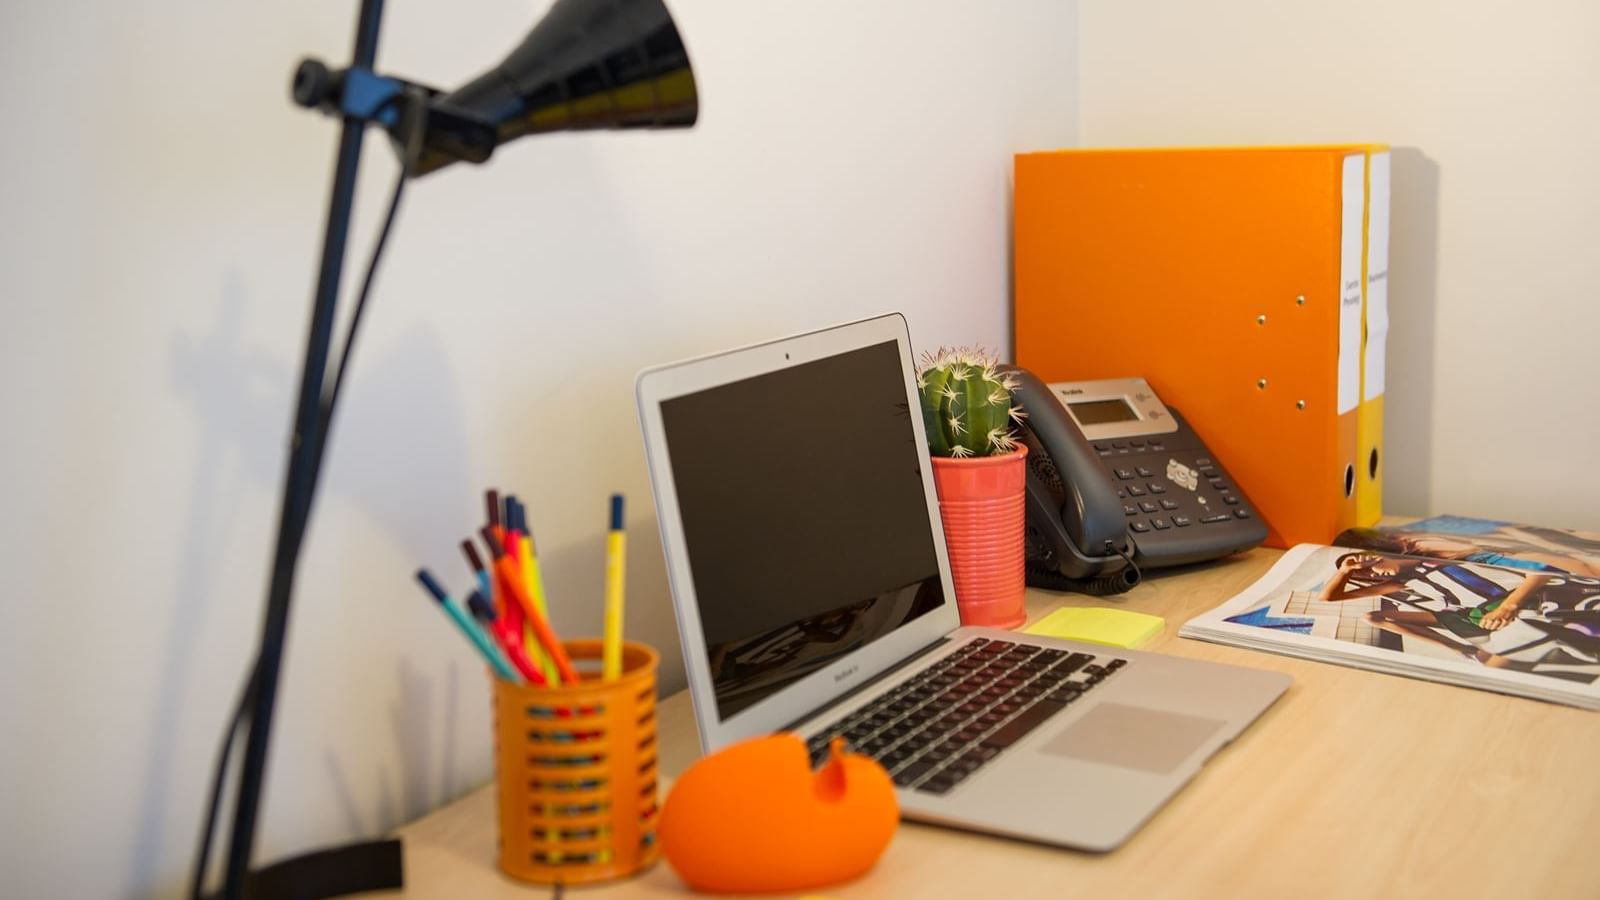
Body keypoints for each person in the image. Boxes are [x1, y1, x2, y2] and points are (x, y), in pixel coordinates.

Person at [1315, 553, 1556, 669]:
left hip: (1509, 603)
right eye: (1365, 577)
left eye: (1369, 568)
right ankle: (1465, 651)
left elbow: (1541, 571)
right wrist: (1345, 571)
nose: (1372, 576)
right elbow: (1327, 598)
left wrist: (1507, 607)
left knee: (1497, 669)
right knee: (1372, 617)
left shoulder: (1439, 558)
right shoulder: (1400, 583)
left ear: (1374, 556)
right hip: (1468, 614)